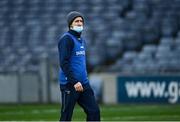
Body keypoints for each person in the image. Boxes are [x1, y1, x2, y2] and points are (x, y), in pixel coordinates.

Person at [57, 11, 100, 121]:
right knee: (66, 116)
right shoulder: (66, 39)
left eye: (81, 21)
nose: (80, 23)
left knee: (94, 111)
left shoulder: (82, 40)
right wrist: (74, 81)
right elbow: (64, 63)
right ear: (70, 24)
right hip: (70, 84)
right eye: (77, 21)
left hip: (84, 83)